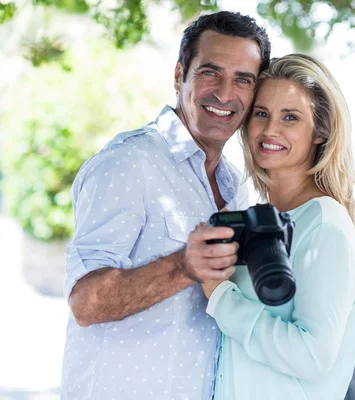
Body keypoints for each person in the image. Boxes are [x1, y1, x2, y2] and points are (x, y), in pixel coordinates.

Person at [60, 11, 271, 399]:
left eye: (243, 79)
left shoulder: (234, 185)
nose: (225, 94)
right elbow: (85, 303)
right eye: (210, 72)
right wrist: (182, 266)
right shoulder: (129, 163)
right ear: (179, 76)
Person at [200, 54, 355, 400]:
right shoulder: (258, 217)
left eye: (290, 117)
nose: (270, 129)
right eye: (261, 113)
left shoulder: (324, 224)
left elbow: (313, 356)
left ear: (321, 131)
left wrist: (221, 297)